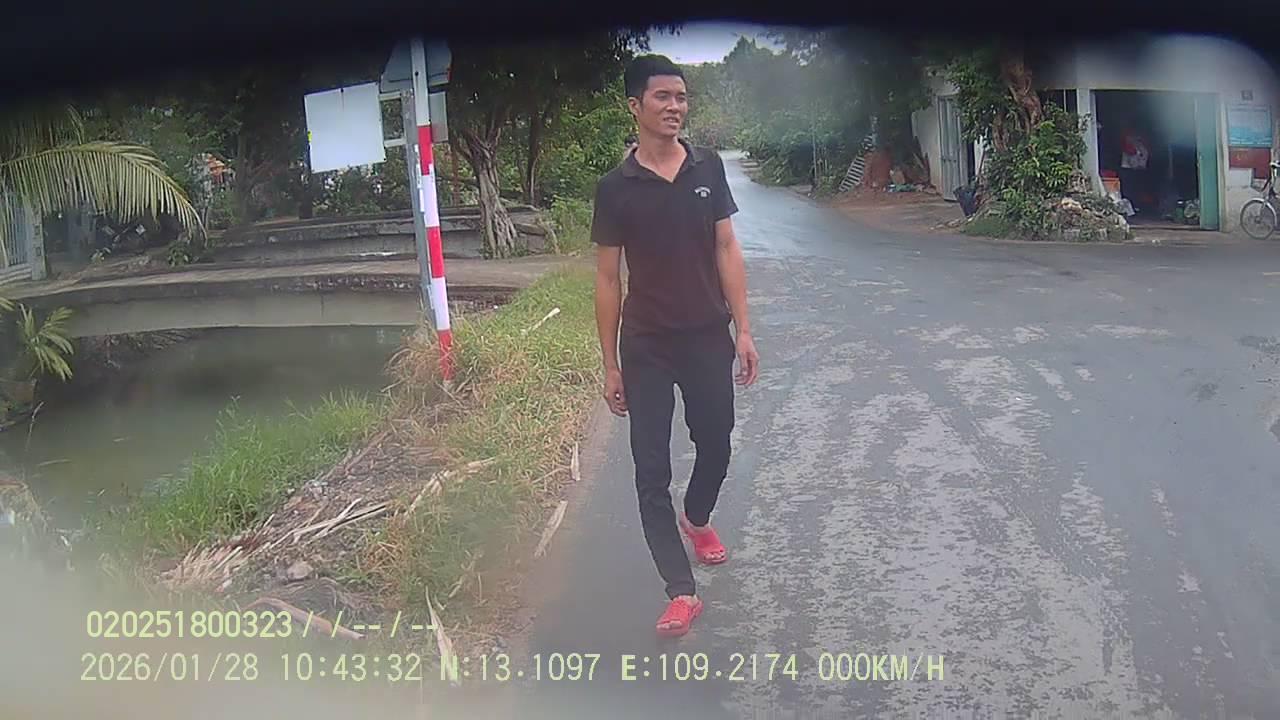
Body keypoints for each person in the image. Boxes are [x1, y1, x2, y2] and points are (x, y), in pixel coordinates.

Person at [590, 54, 759, 638]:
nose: (674, 107)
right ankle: (680, 590)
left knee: (717, 441)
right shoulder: (616, 189)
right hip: (647, 345)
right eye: (662, 97)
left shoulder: (708, 168)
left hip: (708, 335)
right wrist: (610, 364)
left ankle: (697, 515)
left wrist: (744, 329)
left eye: (681, 97)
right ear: (634, 107)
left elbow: (726, 248)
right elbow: (607, 279)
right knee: (650, 469)